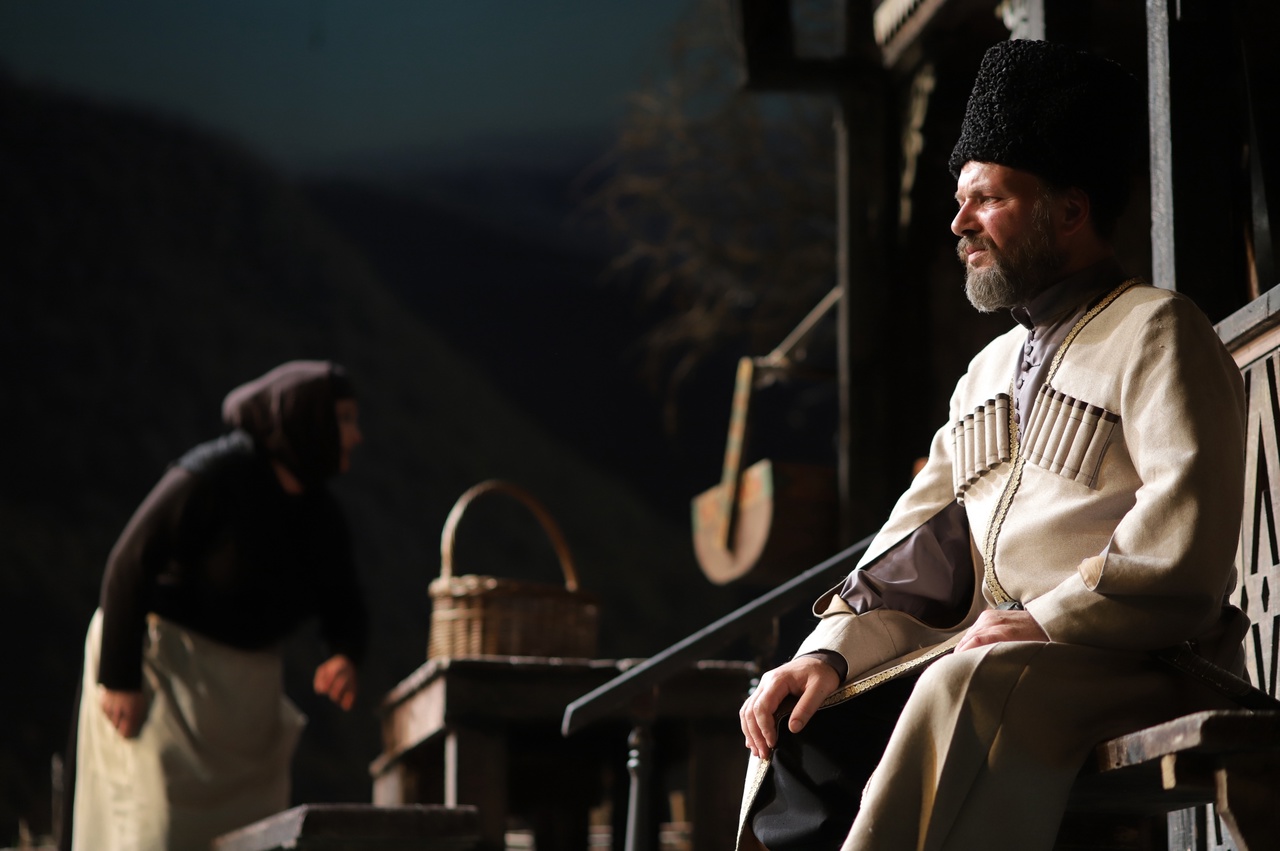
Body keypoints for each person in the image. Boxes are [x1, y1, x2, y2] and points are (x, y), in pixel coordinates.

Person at [738, 39, 1251, 851]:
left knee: (965, 681)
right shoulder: (985, 372)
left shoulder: (1157, 330)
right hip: (1000, 656)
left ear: (1069, 211)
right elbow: (914, 553)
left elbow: (1183, 541)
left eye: (987, 198)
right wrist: (828, 654)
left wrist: (1046, 618)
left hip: (1137, 659)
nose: (959, 223)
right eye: (959, 201)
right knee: (804, 717)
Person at [69, 360, 369, 851]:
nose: (356, 435)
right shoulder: (216, 474)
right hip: (167, 681)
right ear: (306, 419)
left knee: (248, 839)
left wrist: (344, 653)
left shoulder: (320, 513)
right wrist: (119, 678)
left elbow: (344, 598)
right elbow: (130, 561)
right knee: (154, 832)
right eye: (344, 419)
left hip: (242, 707)